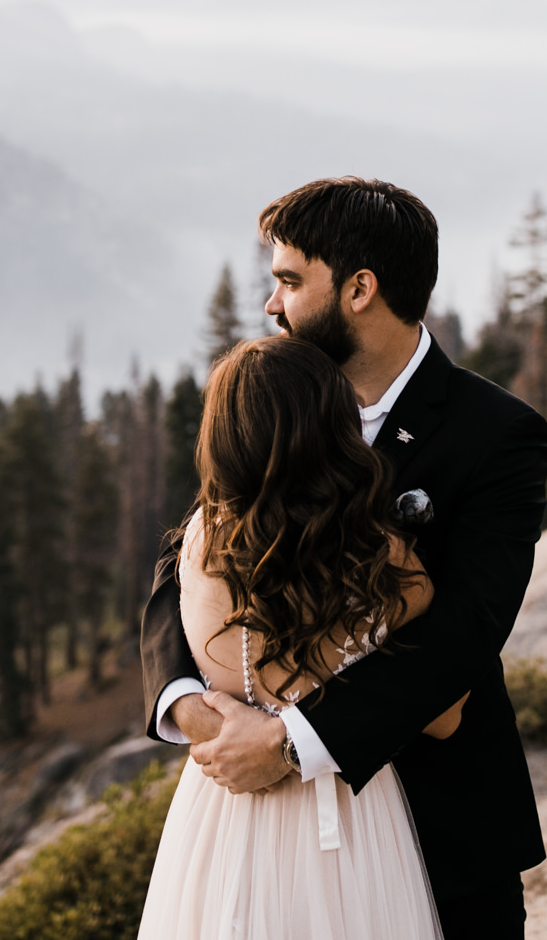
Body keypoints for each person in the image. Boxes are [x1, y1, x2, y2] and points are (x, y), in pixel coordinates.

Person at [142, 177, 547, 939]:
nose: (273, 304)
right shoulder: (273, 395)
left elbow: (466, 628)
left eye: (290, 281)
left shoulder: (497, 433)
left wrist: (293, 743)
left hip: (439, 823)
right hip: (261, 840)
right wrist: (185, 703)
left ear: (360, 288)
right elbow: (186, 557)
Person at [136, 334, 455, 937]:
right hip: (350, 825)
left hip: (221, 816)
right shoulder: (384, 560)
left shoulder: (200, 541)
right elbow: (444, 714)